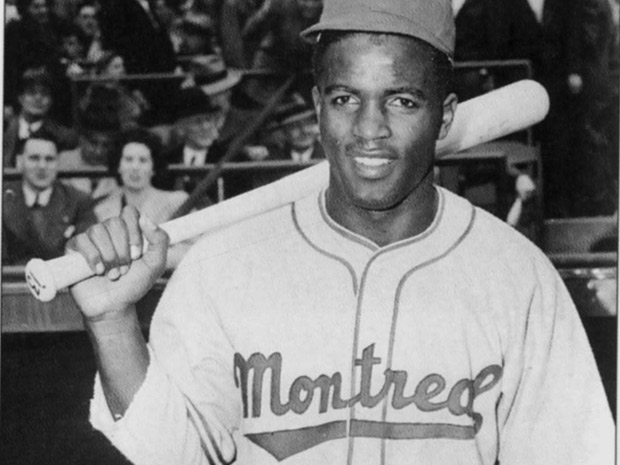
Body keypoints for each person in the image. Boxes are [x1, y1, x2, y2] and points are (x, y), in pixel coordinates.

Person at [67, 0, 614, 463]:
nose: (369, 130)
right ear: (317, 108)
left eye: (402, 100)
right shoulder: (223, 268)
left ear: (445, 118)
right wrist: (112, 323)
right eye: (345, 99)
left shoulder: (518, 279)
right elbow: (172, 455)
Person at [94, 128, 192, 268]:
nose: (135, 167)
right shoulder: (102, 209)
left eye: (143, 160)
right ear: (118, 166)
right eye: (128, 159)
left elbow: (192, 250)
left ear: (153, 167)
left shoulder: (177, 201)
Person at [2, 134, 96, 265]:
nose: (42, 166)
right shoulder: (4, 198)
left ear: (58, 162)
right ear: (20, 161)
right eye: (34, 158)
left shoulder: (78, 201)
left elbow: (85, 255)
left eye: (49, 159)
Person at [3, 67, 78, 168]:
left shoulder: (64, 138)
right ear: (20, 98)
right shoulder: (5, 129)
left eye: (44, 93)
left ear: (51, 101)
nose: (38, 98)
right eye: (31, 92)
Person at [58, 104, 121, 200]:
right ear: (81, 139)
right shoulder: (62, 162)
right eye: (93, 143)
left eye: (106, 145)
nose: (99, 151)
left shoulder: (118, 165)